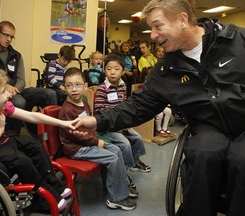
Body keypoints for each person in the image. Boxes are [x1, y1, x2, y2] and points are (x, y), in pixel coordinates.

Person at [73, 0, 245, 215]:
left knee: (242, 158)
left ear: (182, 19)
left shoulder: (237, 39)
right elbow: (138, 106)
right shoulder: (165, 70)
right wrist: (97, 120)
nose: (152, 35)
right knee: (204, 153)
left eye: (157, 26)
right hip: (208, 127)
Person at [0, 66, 80, 213]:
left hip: (1, 141)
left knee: (35, 146)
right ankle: (42, 201)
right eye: (3, 91)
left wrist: (63, 123)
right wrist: (0, 129)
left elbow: (32, 116)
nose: (9, 94)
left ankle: (55, 187)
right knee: (22, 161)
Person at [58, 67, 137, 211]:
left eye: (78, 85)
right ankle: (117, 198)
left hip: (88, 143)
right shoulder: (67, 110)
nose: (74, 89)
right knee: (112, 159)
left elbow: (89, 128)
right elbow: (76, 135)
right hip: (77, 149)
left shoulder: (84, 104)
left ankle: (119, 188)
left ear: (85, 86)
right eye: (69, 85)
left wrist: (97, 139)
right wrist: (97, 142)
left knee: (116, 149)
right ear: (64, 88)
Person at [0, 20, 57, 134]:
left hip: (16, 91)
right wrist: (4, 87)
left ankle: (48, 135)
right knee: (19, 102)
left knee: (50, 94)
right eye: (6, 35)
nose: (9, 39)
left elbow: (21, 80)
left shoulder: (16, 55)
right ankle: (13, 136)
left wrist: (13, 90)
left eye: (12, 37)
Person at [94, 52, 150, 172]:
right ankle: (124, 170)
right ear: (104, 70)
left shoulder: (123, 86)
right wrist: (117, 122)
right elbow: (99, 111)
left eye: (116, 69)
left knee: (137, 137)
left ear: (123, 71)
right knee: (125, 143)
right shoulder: (101, 89)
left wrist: (125, 123)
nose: (112, 72)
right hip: (107, 126)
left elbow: (124, 106)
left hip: (120, 124)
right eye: (109, 69)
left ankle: (135, 162)